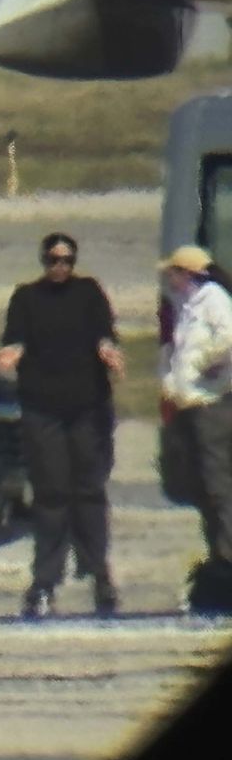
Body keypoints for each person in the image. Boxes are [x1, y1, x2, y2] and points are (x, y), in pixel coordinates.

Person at [0, 233, 124, 619]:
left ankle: (99, 573)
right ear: (43, 261)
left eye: (67, 260)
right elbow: (15, 339)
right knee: (51, 495)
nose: (60, 267)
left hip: (87, 407)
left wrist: (109, 351)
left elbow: (105, 332)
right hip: (42, 409)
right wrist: (10, 354)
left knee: (88, 491)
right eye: (53, 260)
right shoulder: (26, 298)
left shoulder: (89, 293)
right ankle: (45, 580)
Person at [156, 245, 232, 614]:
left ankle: (228, 556)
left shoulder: (213, 299)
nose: (169, 277)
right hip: (190, 406)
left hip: (210, 406)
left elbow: (229, 338)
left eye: (174, 271)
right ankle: (219, 554)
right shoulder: (188, 305)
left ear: (187, 272)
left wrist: (204, 364)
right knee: (200, 485)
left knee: (219, 485)